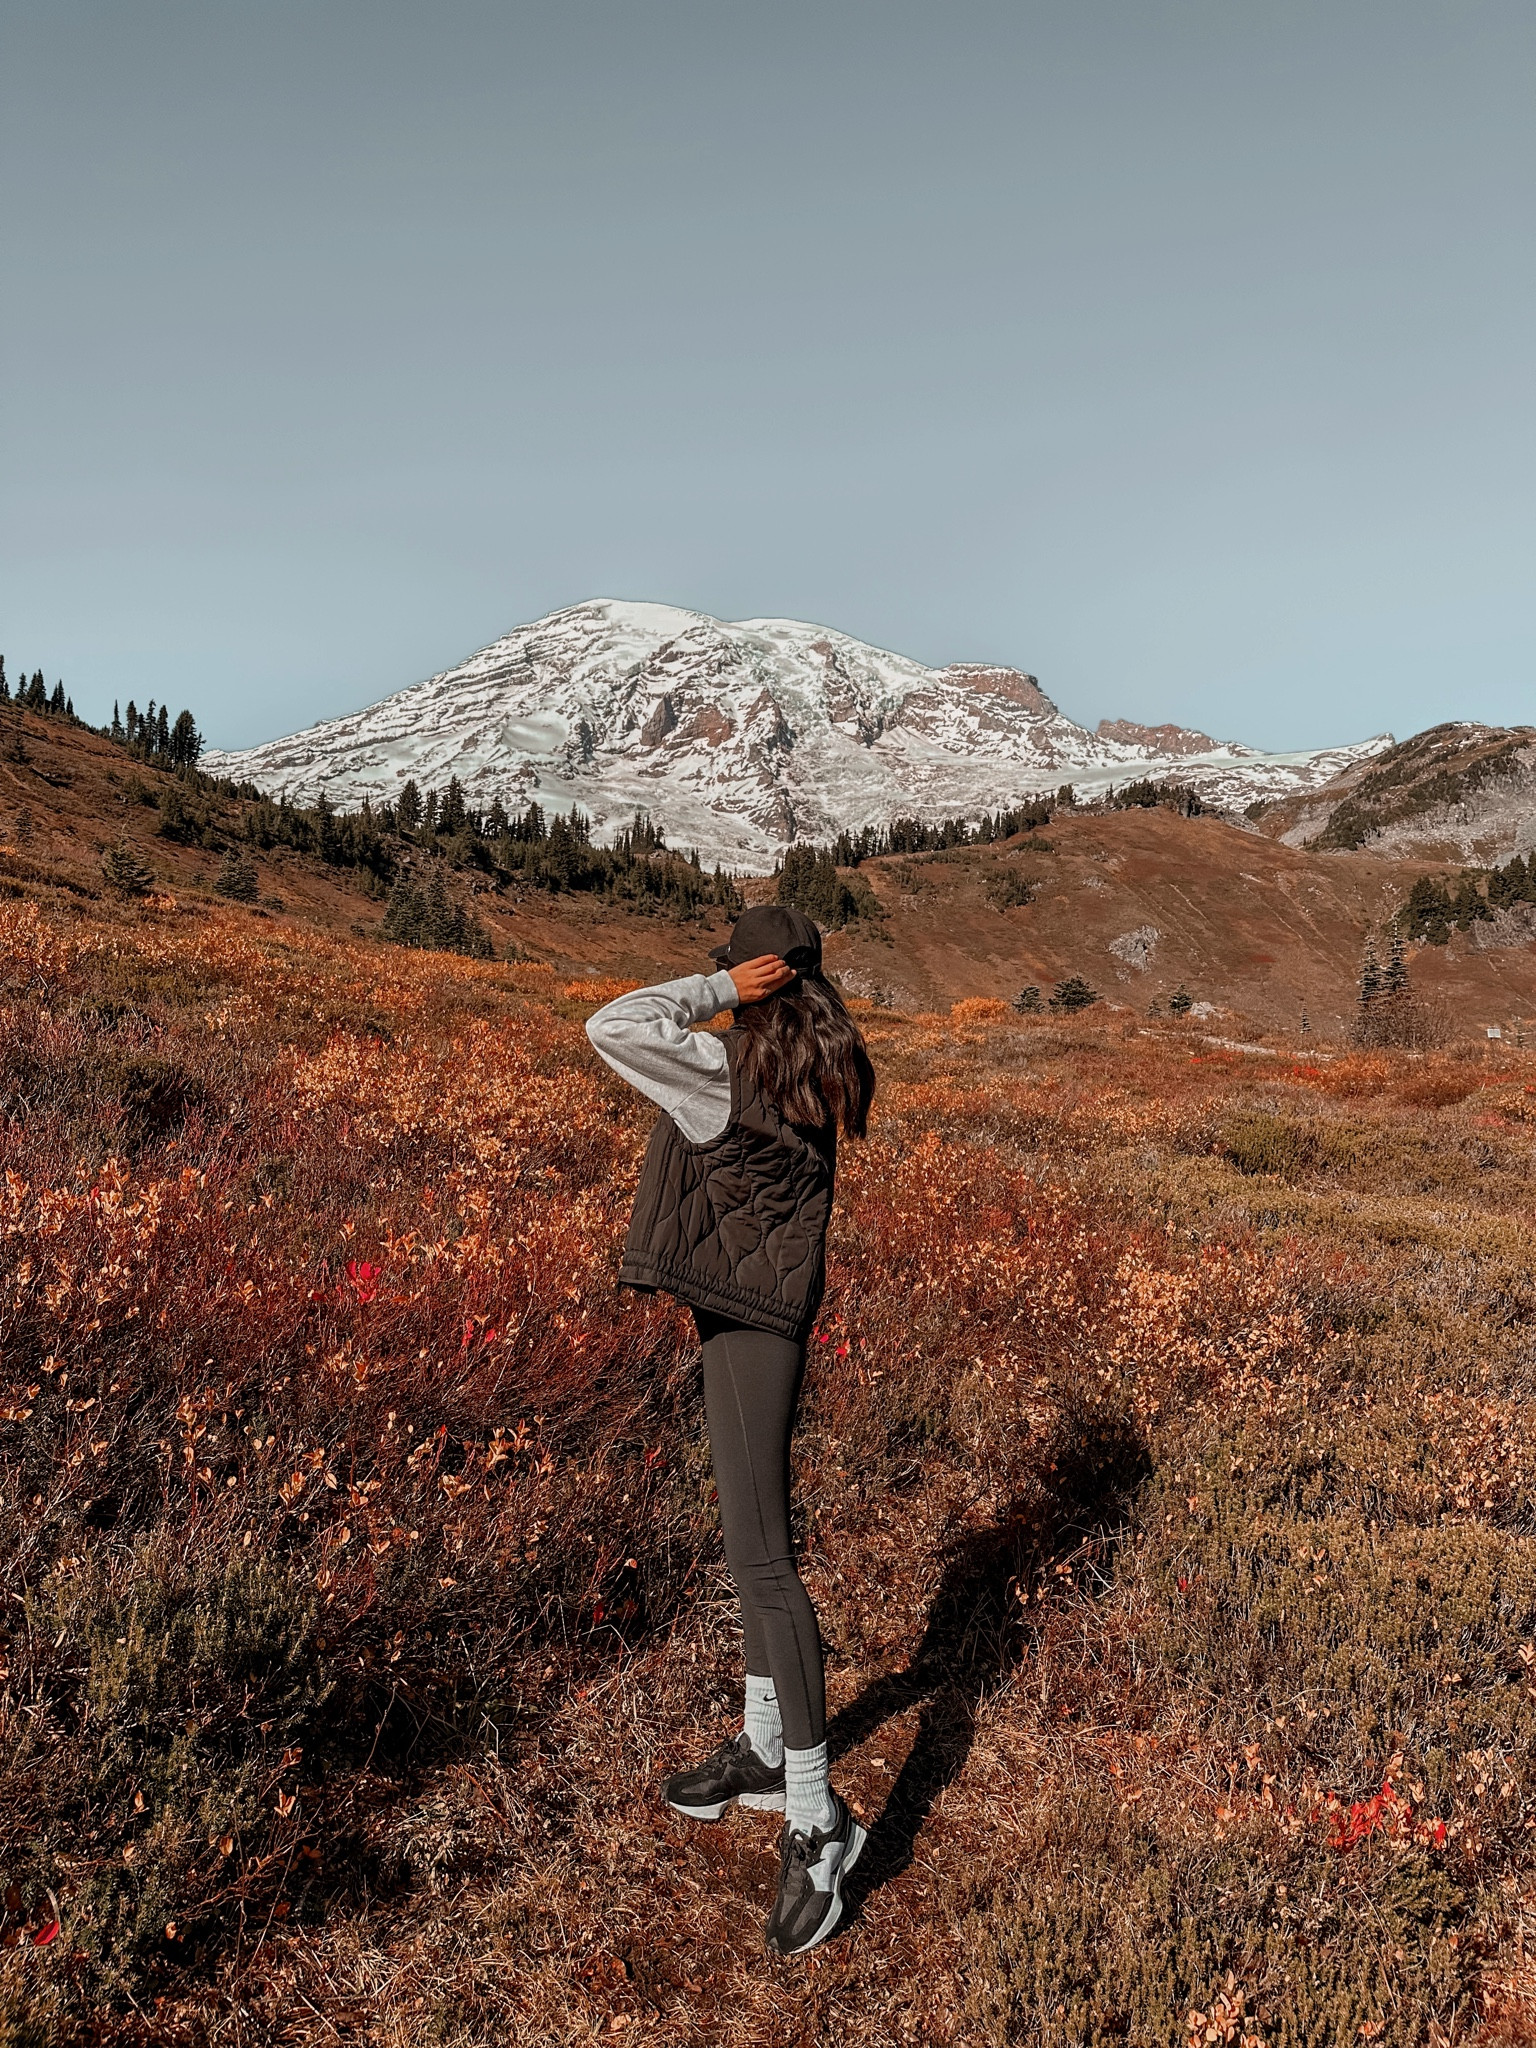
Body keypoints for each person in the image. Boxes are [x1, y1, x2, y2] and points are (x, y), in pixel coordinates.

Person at [585, 904, 876, 1958]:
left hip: (748, 1321)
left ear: (760, 979)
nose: (721, 983)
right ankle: (761, 1749)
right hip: (755, 1310)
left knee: (764, 1566)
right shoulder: (811, 1066)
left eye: (737, 971)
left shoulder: (728, 1070)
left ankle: (817, 1819)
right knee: (752, 1552)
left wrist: (716, 992)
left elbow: (612, 1023)